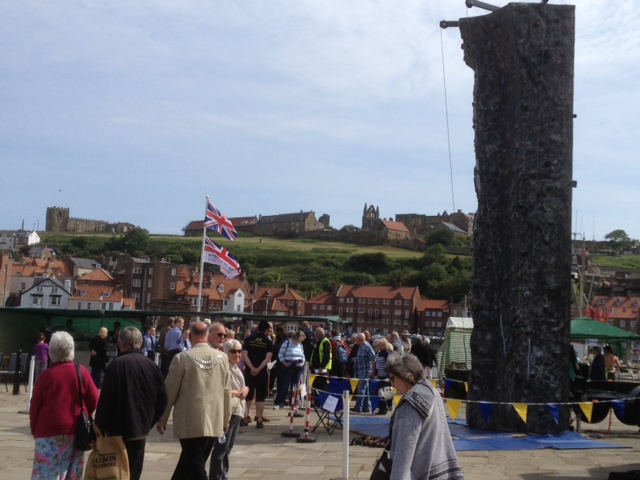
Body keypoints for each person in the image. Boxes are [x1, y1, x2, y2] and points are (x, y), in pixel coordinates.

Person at [156, 321, 231, 480]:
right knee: (193, 461)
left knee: (194, 463)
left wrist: (162, 418)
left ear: (189, 336)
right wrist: (226, 419)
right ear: (207, 335)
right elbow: (226, 391)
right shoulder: (223, 358)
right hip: (214, 419)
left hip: (189, 420)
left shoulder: (181, 358)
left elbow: (170, 391)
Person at [95, 326, 168, 480]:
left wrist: (100, 427)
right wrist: (149, 421)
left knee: (115, 473)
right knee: (134, 473)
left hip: (116, 431)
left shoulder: (116, 366)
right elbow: (163, 400)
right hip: (140, 429)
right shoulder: (152, 367)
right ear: (141, 343)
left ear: (121, 344)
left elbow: (106, 401)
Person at [30, 331, 99, 479]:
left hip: (47, 432)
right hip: (75, 432)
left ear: (51, 352)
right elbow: (94, 400)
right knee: (72, 474)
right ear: (71, 350)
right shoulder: (82, 372)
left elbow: (34, 407)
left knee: (45, 474)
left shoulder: (46, 376)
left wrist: (35, 430)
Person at [384, 353, 463, 480]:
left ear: (404, 375)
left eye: (392, 379)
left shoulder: (410, 405)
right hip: (443, 471)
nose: (392, 384)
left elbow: (403, 456)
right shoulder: (432, 391)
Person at [209, 339, 249, 480]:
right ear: (226, 352)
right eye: (233, 351)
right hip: (228, 411)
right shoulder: (223, 366)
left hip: (237, 410)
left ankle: (223, 474)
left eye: (239, 351)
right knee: (221, 447)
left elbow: (242, 386)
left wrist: (245, 389)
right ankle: (216, 476)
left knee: (228, 447)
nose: (237, 354)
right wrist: (238, 392)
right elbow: (218, 388)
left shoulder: (236, 367)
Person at [242, 320, 273, 428]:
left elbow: (244, 354)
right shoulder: (268, 342)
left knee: (248, 395)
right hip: (262, 372)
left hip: (249, 371)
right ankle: (259, 419)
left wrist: (251, 367)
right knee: (260, 397)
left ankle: (246, 416)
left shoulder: (249, 339)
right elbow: (268, 358)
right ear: (266, 330)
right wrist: (259, 368)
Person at [274, 330, 306, 409]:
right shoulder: (287, 343)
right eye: (300, 339)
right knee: (285, 385)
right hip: (288, 366)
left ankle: (293, 403)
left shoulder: (300, 345)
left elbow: (303, 355)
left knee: (295, 386)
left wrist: (302, 362)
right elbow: (280, 354)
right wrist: (284, 362)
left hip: (298, 367)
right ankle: (280, 403)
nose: (300, 341)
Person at [352, 333, 376, 413]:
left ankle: (358, 407)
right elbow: (360, 357)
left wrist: (373, 371)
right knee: (365, 390)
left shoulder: (367, 347)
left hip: (366, 371)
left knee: (361, 389)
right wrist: (355, 360)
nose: (356, 341)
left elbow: (373, 359)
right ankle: (366, 407)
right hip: (360, 370)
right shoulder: (360, 346)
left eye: (357, 339)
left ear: (360, 339)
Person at [372, 337, 392, 415]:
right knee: (379, 393)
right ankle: (382, 408)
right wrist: (375, 373)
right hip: (379, 376)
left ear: (383, 345)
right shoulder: (379, 353)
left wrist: (388, 377)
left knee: (382, 393)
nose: (378, 345)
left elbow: (389, 366)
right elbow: (378, 365)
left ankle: (384, 409)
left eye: (379, 344)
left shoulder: (387, 354)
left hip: (385, 377)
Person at [310, 327, 332, 392]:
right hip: (316, 368)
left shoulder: (325, 341)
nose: (315, 334)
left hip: (322, 369)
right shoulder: (318, 342)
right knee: (316, 385)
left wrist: (322, 366)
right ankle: (316, 401)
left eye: (317, 333)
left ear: (321, 333)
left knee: (321, 385)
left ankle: (321, 401)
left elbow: (326, 356)